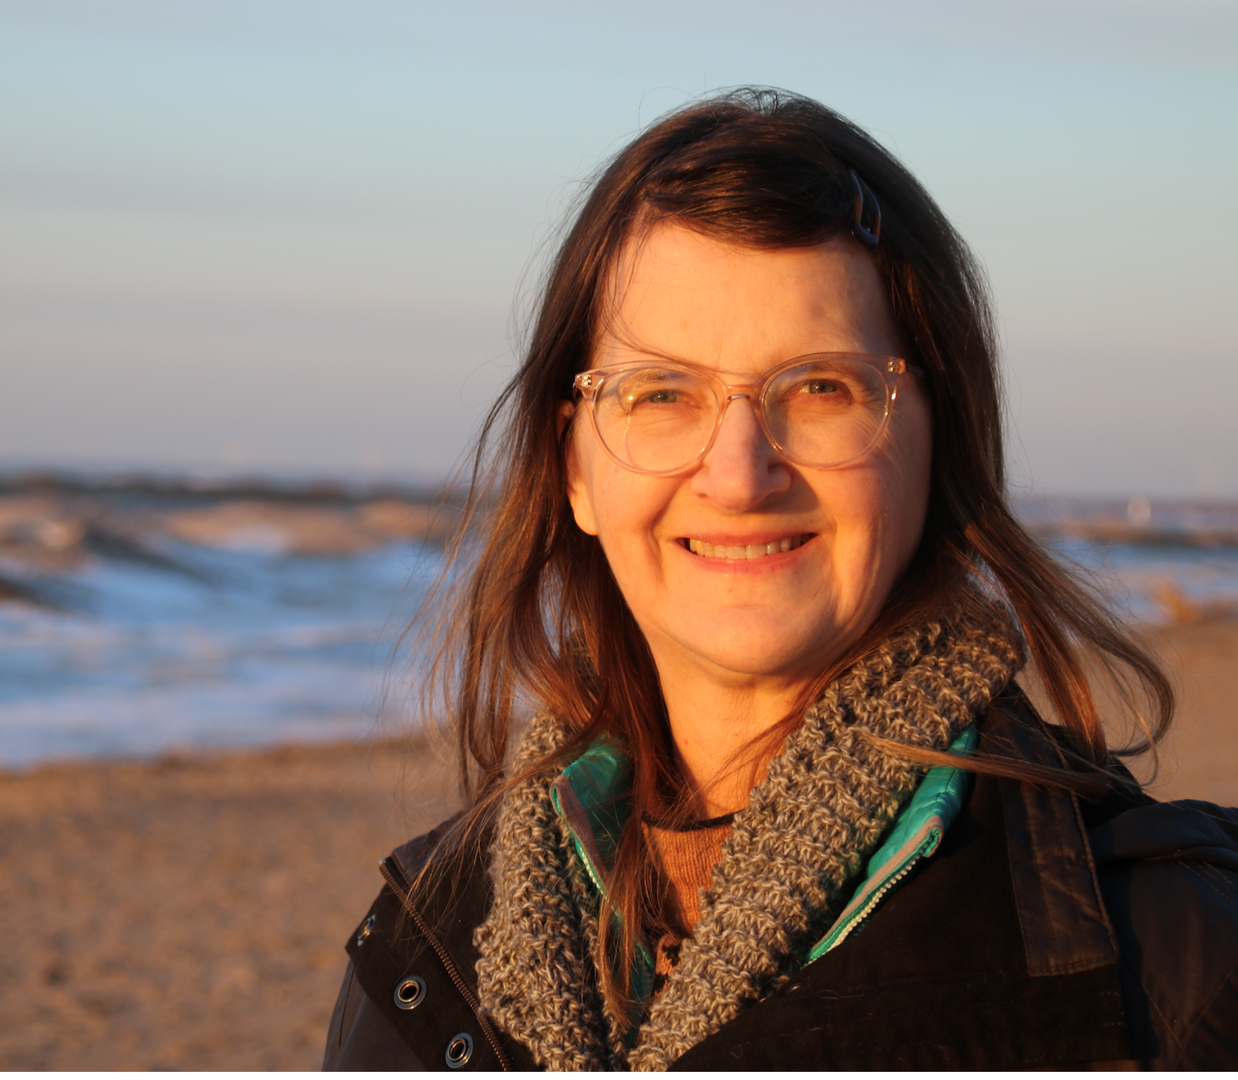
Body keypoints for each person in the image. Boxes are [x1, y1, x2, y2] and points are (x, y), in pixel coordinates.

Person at [323, 89, 1238, 1070]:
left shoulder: (1172, 949)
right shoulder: (425, 947)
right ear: (575, 468)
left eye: (818, 388)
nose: (736, 474)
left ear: (937, 440)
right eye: (660, 394)